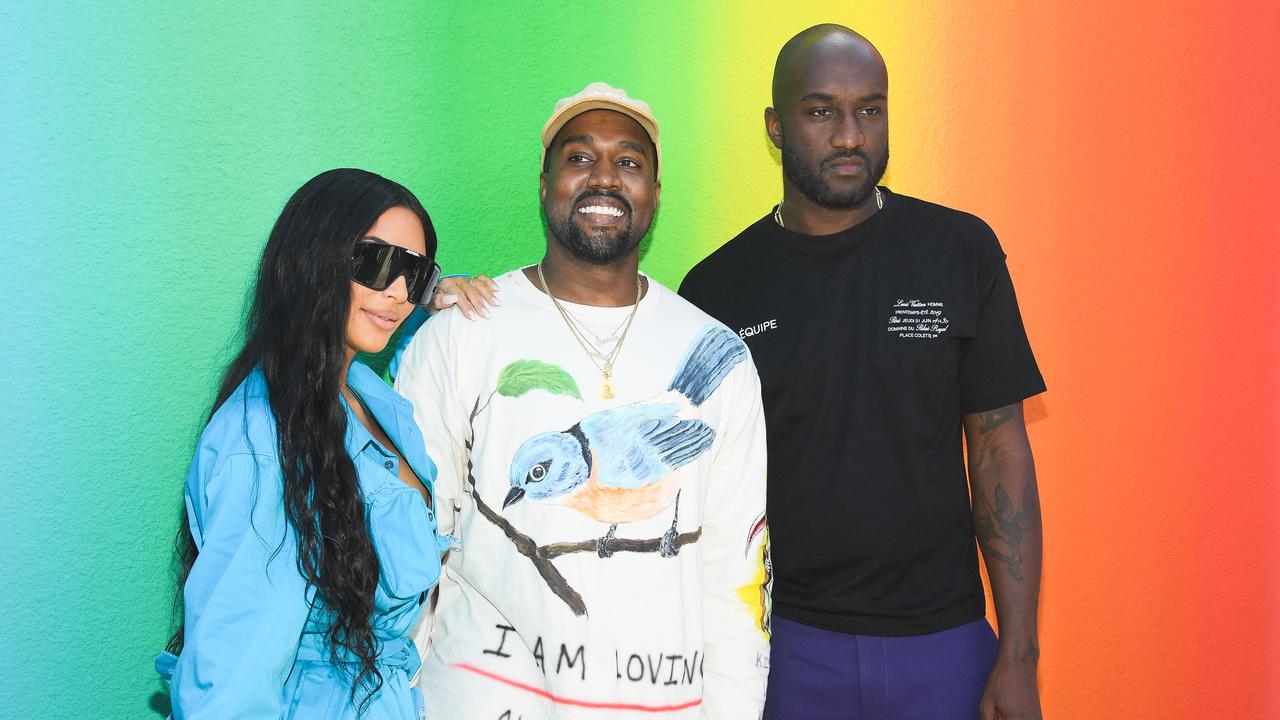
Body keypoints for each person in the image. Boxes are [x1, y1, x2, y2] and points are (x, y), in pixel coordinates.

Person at [679, 25, 1046, 720]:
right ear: (775, 127)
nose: (849, 135)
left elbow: (1000, 448)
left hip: (945, 642)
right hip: (785, 646)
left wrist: (1019, 655)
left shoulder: (959, 251)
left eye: (869, 109)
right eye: (821, 112)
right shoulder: (717, 290)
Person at [394, 83, 770, 719]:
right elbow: (406, 549)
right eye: (578, 157)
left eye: (629, 162)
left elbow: (734, 575)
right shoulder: (460, 335)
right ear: (544, 184)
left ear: (654, 191)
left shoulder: (718, 352)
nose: (604, 177)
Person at [157, 168, 452, 719]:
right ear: (313, 259)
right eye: (374, 262)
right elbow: (230, 688)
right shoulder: (266, 444)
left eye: (414, 273)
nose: (396, 292)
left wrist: (442, 293)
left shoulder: (363, 393)